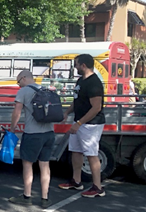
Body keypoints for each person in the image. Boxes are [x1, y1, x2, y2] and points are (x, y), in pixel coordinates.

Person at [58, 54, 106, 198]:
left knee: (91, 154)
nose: (75, 67)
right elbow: (77, 100)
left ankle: (97, 187)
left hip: (91, 124)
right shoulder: (81, 81)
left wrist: (79, 123)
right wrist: (67, 112)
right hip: (79, 121)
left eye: (76, 64)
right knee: (75, 150)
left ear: (83, 65)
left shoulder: (94, 83)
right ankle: (76, 181)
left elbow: (96, 107)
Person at [8, 70, 56, 208]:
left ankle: (27, 196)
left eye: (18, 82)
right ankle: (45, 198)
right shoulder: (45, 89)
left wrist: (12, 128)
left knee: (28, 164)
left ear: (23, 78)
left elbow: (17, 112)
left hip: (32, 134)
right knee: (45, 165)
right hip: (49, 133)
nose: (19, 85)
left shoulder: (23, 92)